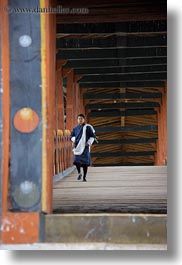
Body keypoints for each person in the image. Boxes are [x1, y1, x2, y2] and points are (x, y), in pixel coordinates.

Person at [70, 114, 96, 182]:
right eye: (79, 119)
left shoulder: (87, 127)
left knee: (85, 163)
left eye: (81, 118)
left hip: (85, 147)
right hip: (77, 147)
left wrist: (89, 143)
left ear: (84, 119)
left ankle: (84, 177)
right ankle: (79, 173)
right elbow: (71, 136)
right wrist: (73, 140)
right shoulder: (75, 128)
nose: (80, 120)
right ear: (77, 120)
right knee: (76, 161)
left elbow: (93, 136)